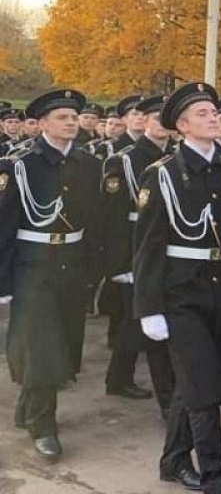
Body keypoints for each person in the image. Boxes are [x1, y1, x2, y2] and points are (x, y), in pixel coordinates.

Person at [133, 82, 221, 494]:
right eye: (202, 113)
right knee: (205, 391)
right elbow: (147, 249)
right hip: (180, 295)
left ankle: (172, 461)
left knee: (192, 383)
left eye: (215, 111)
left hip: (220, 291)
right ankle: (217, 480)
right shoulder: (161, 175)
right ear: (181, 125)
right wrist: (148, 308)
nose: (214, 117)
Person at [0, 89, 102, 461]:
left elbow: (95, 220)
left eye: (74, 117)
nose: (71, 122)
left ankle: (28, 408)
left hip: (72, 261)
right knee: (42, 346)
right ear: (41, 124)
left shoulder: (88, 164)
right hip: (33, 264)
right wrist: (3, 282)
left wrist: (95, 269)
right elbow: (4, 226)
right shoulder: (20, 166)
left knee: (65, 340)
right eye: (62, 117)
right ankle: (44, 425)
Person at [99, 94, 175, 415]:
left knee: (137, 320)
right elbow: (112, 217)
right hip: (134, 246)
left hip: (167, 246)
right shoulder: (124, 159)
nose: (160, 124)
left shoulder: (178, 157)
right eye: (154, 117)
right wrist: (117, 265)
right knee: (140, 319)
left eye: (165, 118)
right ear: (142, 120)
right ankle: (166, 400)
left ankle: (118, 377)